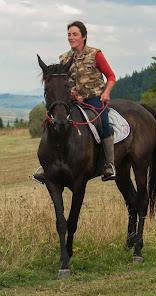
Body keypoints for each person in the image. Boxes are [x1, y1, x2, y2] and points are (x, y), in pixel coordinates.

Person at [33, 20, 116, 183]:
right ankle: (46, 165)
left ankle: (109, 164)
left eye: (74, 34)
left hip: (94, 100)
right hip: (71, 101)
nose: (71, 37)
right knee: (52, 121)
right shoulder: (63, 58)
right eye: (69, 35)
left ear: (84, 37)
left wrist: (106, 92)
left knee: (104, 124)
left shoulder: (95, 54)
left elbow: (111, 76)